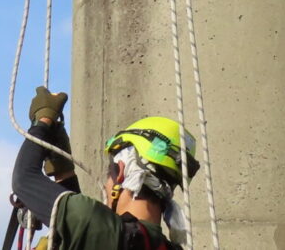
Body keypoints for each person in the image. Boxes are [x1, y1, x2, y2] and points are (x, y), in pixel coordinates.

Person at [11, 86, 196, 249]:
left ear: (122, 172)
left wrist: (42, 120)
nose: (106, 185)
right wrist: (63, 169)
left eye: (109, 174)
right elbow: (84, 231)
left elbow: (24, 179)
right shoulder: (163, 245)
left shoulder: (105, 229)